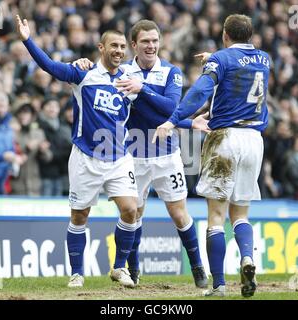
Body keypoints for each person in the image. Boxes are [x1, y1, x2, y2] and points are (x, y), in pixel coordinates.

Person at [74, 19, 209, 288]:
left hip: (167, 154)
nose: (151, 46)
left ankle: (197, 268)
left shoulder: (171, 72)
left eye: (155, 41)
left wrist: (143, 92)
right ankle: (133, 271)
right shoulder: (121, 71)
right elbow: (95, 78)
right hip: (133, 155)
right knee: (134, 213)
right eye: (145, 41)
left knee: (179, 213)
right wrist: (82, 62)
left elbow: (170, 107)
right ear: (133, 45)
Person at [16, 15, 139, 288]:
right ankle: (77, 273)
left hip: (119, 157)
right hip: (86, 157)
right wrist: (27, 40)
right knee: (79, 216)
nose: (119, 50)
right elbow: (48, 66)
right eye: (114, 46)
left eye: (122, 46)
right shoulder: (83, 74)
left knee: (131, 210)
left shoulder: (131, 82)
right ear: (101, 47)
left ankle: (119, 267)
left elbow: (154, 107)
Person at [153, 14, 270, 297]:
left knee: (216, 216)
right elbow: (239, 70)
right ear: (250, 35)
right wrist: (215, 59)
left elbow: (200, 91)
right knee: (240, 213)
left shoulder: (221, 59)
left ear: (225, 35)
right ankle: (247, 258)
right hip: (254, 139)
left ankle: (218, 285)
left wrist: (173, 119)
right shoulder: (264, 59)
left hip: (225, 139)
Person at [0, 90, 27, 194]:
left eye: (2, 106)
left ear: (7, 107)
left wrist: (15, 157)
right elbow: (4, 154)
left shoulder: (10, 126)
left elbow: (11, 148)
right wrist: (2, 156)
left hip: (4, 178)